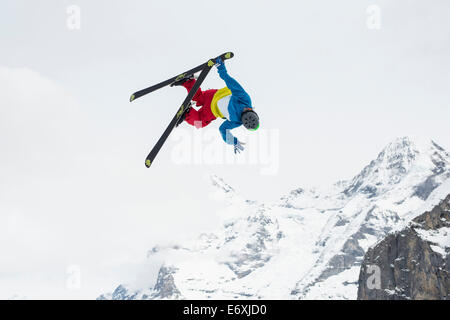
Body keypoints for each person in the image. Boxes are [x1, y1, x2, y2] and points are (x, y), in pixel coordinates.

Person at [171, 58, 259, 154]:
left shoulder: (245, 99)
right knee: (200, 123)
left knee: (198, 96)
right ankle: (187, 113)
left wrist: (221, 69)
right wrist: (233, 141)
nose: (244, 109)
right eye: (246, 109)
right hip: (212, 110)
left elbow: (231, 83)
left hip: (213, 94)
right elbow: (223, 129)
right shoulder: (237, 120)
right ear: (251, 110)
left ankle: (188, 81)